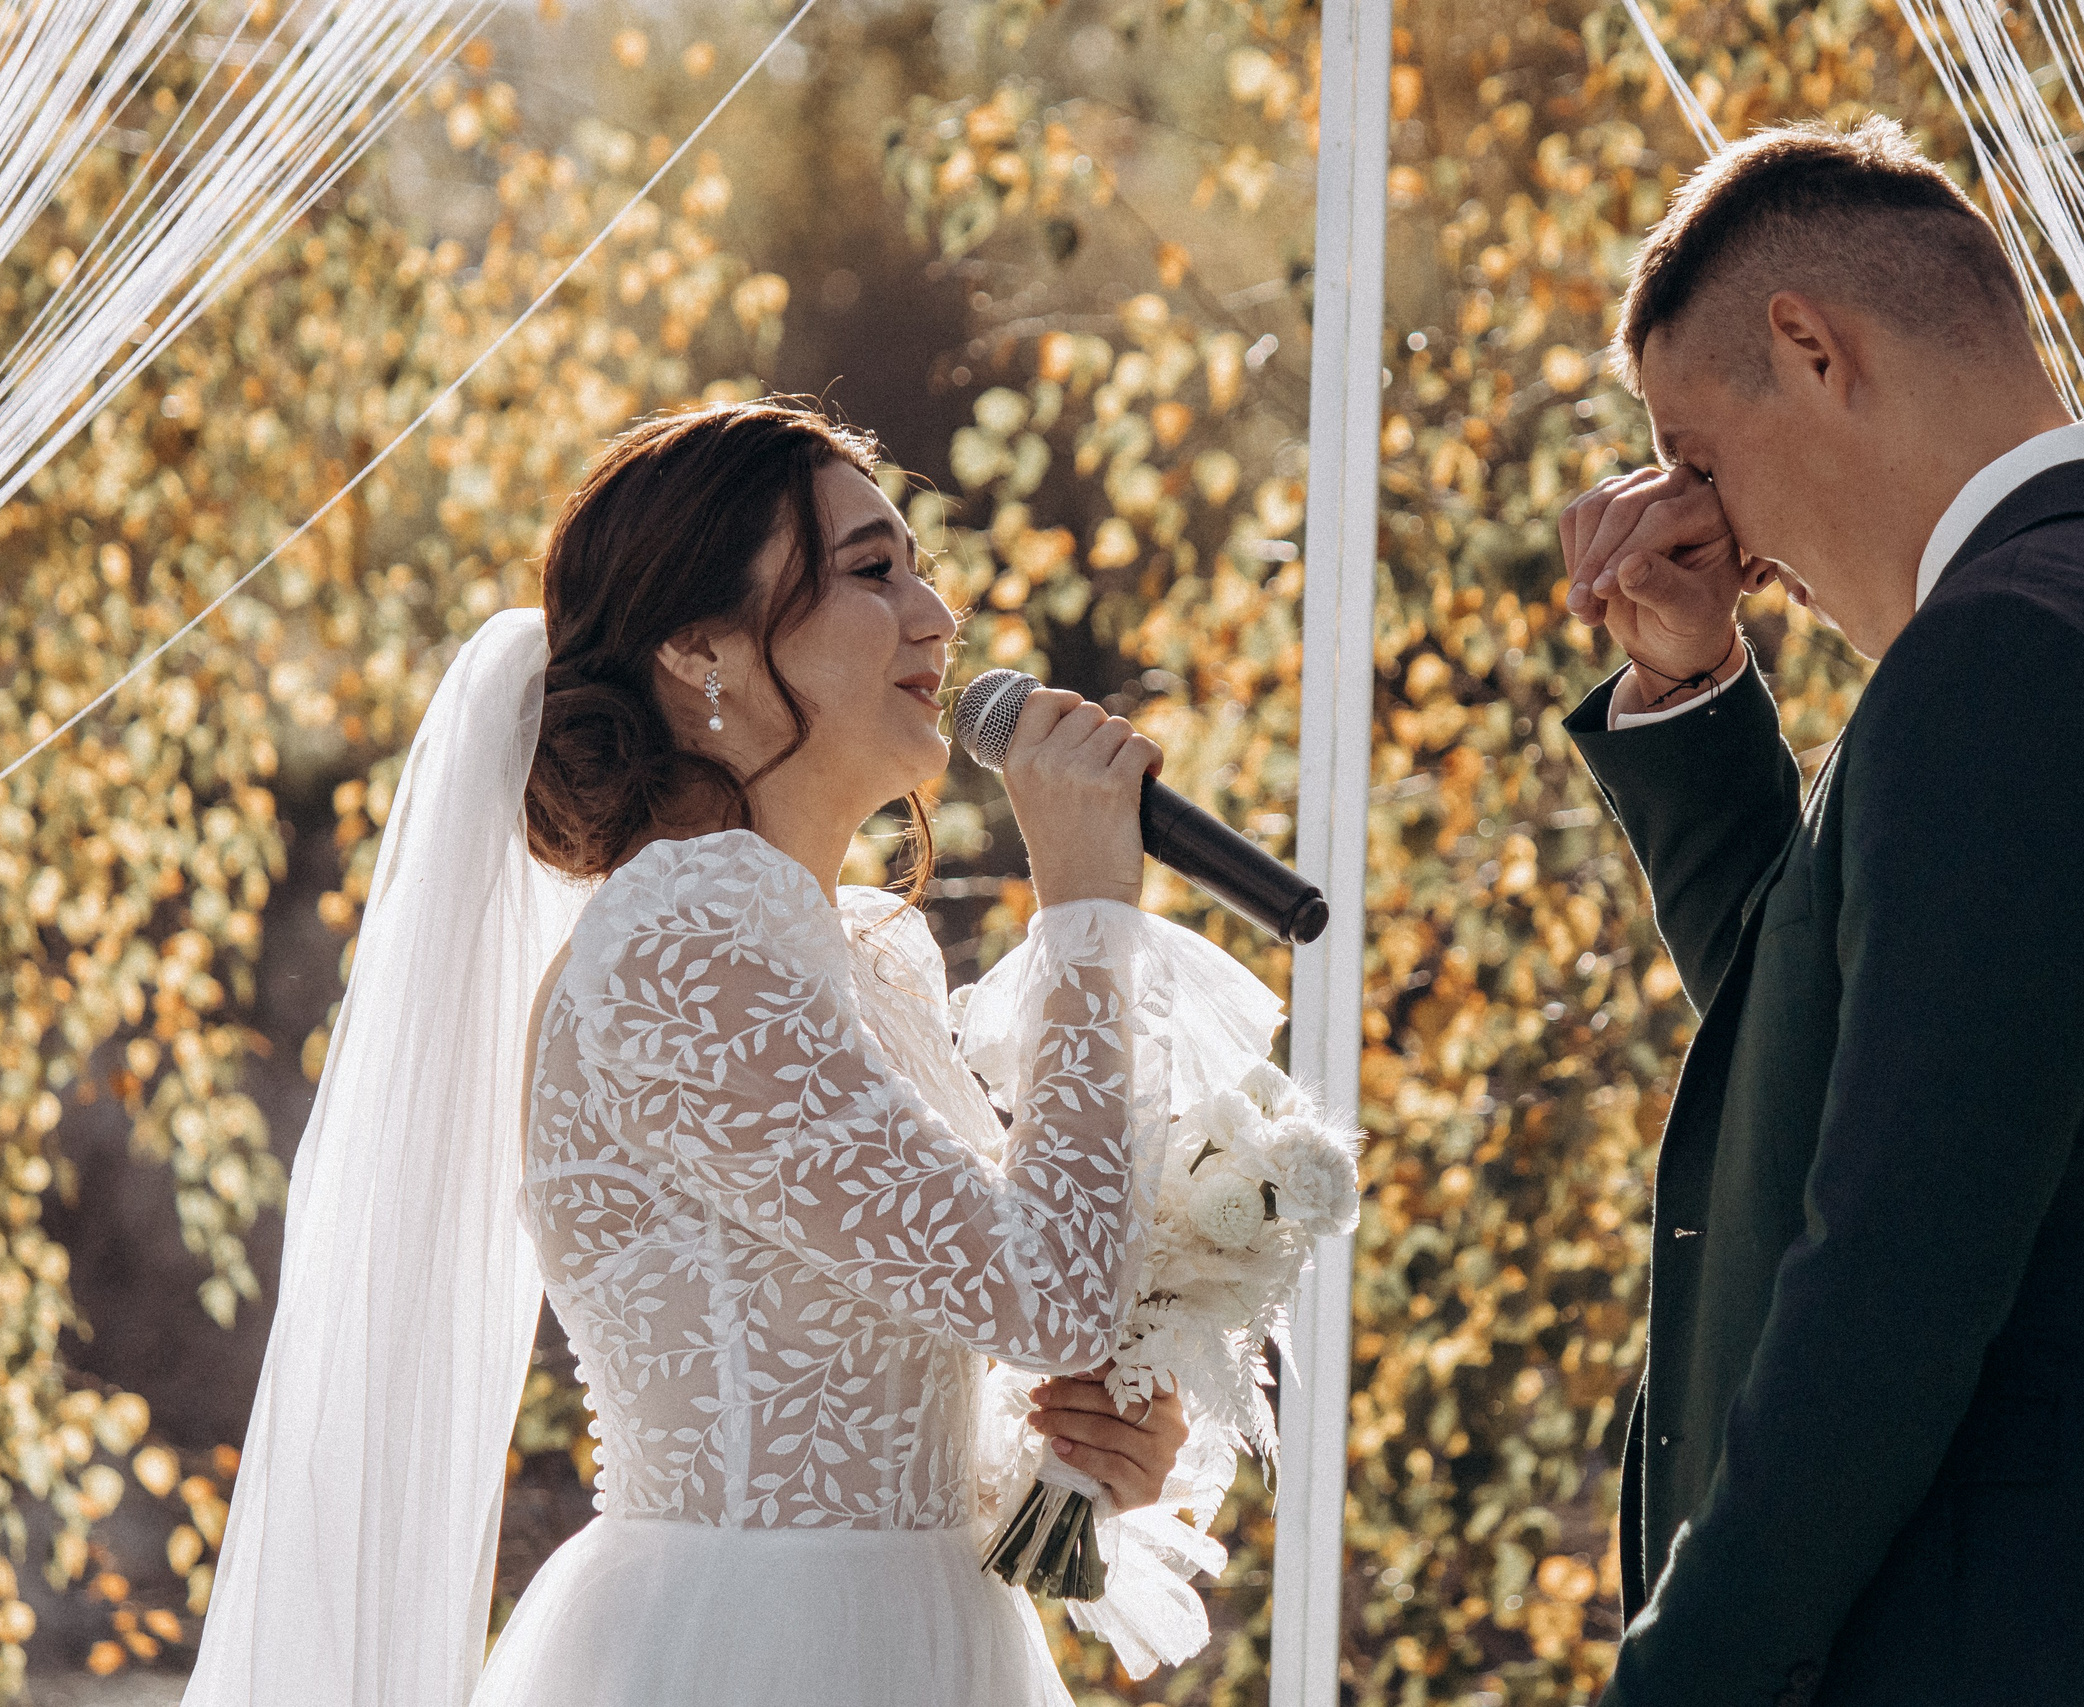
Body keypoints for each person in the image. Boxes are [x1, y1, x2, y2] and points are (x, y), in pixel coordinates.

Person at [184, 400, 1277, 1707]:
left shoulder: (861, 954)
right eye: (872, 571)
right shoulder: (679, 951)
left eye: (919, 569)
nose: (938, 617)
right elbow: (1048, 1296)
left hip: (931, 1635)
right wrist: (1088, 914)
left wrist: (1073, 1451)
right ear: (701, 649)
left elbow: (913, 1357)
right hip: (749, 1648)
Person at [1558, 118, 2084, 1706]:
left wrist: (1685, 1676)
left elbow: (1892, 1278)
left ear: (1811, 349)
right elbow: (1849, 1059)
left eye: (1697, 460)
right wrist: (1693, 693)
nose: (1722, 542)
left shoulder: (2010, 652)